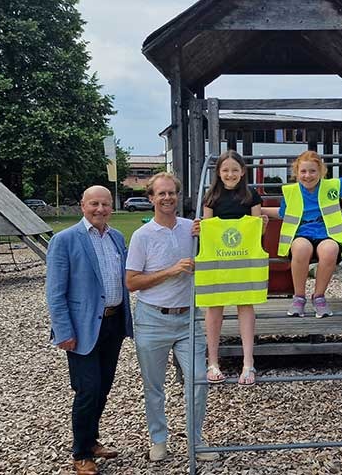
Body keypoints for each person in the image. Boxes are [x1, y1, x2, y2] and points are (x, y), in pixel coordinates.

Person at [125, 172, 218, 463]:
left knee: (198, 380)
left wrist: (258, 222)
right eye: (161, 194)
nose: (167, 198)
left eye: (172, 193)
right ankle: (158, 439)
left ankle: (196, 440)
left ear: (178, 196)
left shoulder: (193, 228)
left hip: (189, 319)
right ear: (151, 198)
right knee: (154, 385)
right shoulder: (142, 236)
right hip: (152, 319)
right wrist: (171, 271)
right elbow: (131, 282)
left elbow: (222, 246)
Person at [46, 185, 132, 475]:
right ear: (82, 205)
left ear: (111, 207)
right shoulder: (65, 240)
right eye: (94, 203)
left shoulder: (117, 238)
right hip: (81, 328)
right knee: (88, 389)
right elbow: (55, 292)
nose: (100, 209)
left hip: (113, 323)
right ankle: (81, 453)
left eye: (105, 204)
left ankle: (91, 440)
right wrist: (63, 331)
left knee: (104, 387)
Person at [192, 150, 264, 386]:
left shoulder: (251, 196)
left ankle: (248, 363)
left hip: (244, 264)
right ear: (219, 173)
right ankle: (212, 361)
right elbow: (206, 232)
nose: (230, 174)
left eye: (235, 170)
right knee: (214, 309)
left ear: (242, 172)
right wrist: (199, 229)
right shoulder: (210, 197)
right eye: (225, 170)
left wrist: (262, 225)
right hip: (218, 264)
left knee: (246, 306)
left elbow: (258, 234)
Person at [267, 150, 342, 318]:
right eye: (303, 171)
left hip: (327, 233)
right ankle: (299, 297)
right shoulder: (291, 191)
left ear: (321, 171)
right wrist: (257, 210)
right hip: (302, 233)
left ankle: (319, 297)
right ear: (296, 172)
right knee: (300, 248)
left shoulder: (332, 186)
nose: (308, 176)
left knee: (329, 250)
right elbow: (282, 213)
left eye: (313, 171)